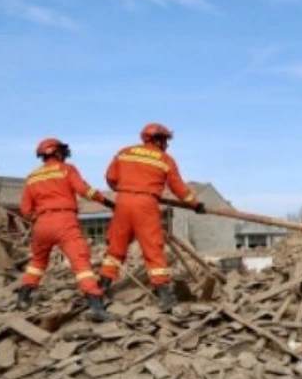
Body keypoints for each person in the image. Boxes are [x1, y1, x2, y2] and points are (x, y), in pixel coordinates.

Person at [99, 123, 204, 311]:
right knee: (152, 249)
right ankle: (163, 294)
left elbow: (110, 177)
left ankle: (102, 288)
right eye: (165, 141)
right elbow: (178, 187)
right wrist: (195, 204)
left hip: (122, 202)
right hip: (146, 205)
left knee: (116, 247)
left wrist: (126, 189)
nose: (167, 145)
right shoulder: (164, 159)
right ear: (159, 140)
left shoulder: (125, 152)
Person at [16, 138, 114, 322]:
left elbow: (25, 209)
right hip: (64, 220)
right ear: (57, 152)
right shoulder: (66, 169)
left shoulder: (32, 177)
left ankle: (23, 298)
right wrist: (107, 202)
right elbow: (84, 190)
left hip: (42, 224)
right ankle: (95, 305)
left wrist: (39, 218)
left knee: (37, 263)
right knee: (81, 263)